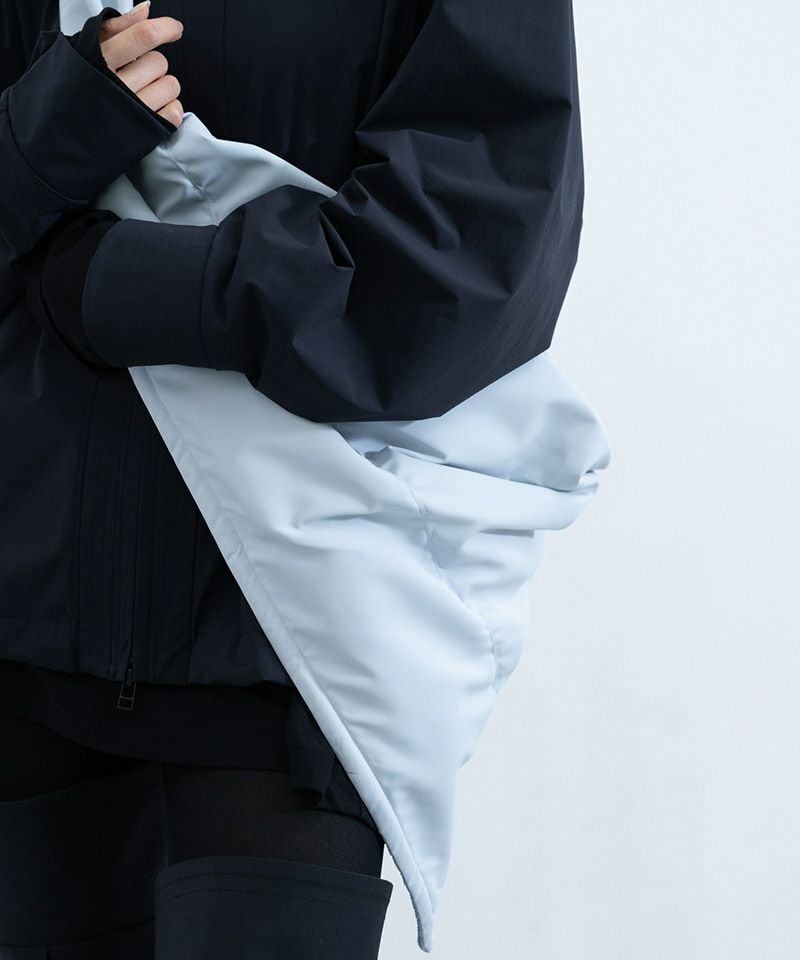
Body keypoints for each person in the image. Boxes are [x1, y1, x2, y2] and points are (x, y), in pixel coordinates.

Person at [0, 0, 586, 955]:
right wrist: (42, 136)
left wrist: (106, 283)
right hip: (27, 627)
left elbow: (456, 272)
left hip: (293, 635)